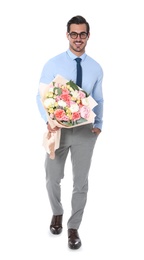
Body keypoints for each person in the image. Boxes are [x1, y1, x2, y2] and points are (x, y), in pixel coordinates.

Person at [36, 15, 104, 250]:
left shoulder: (95, 67)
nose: (78, 38)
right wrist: (49, 120)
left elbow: (99, 98)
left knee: (81, 182)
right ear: (67, 35)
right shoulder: (53, 63)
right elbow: (40, 95)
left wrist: (99, 125)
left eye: (82, 34)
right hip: (58, 131)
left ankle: (73, 226)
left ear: (88, 36)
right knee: (52, 177)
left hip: (86, 131)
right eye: (74, 34)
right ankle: (57, 213)